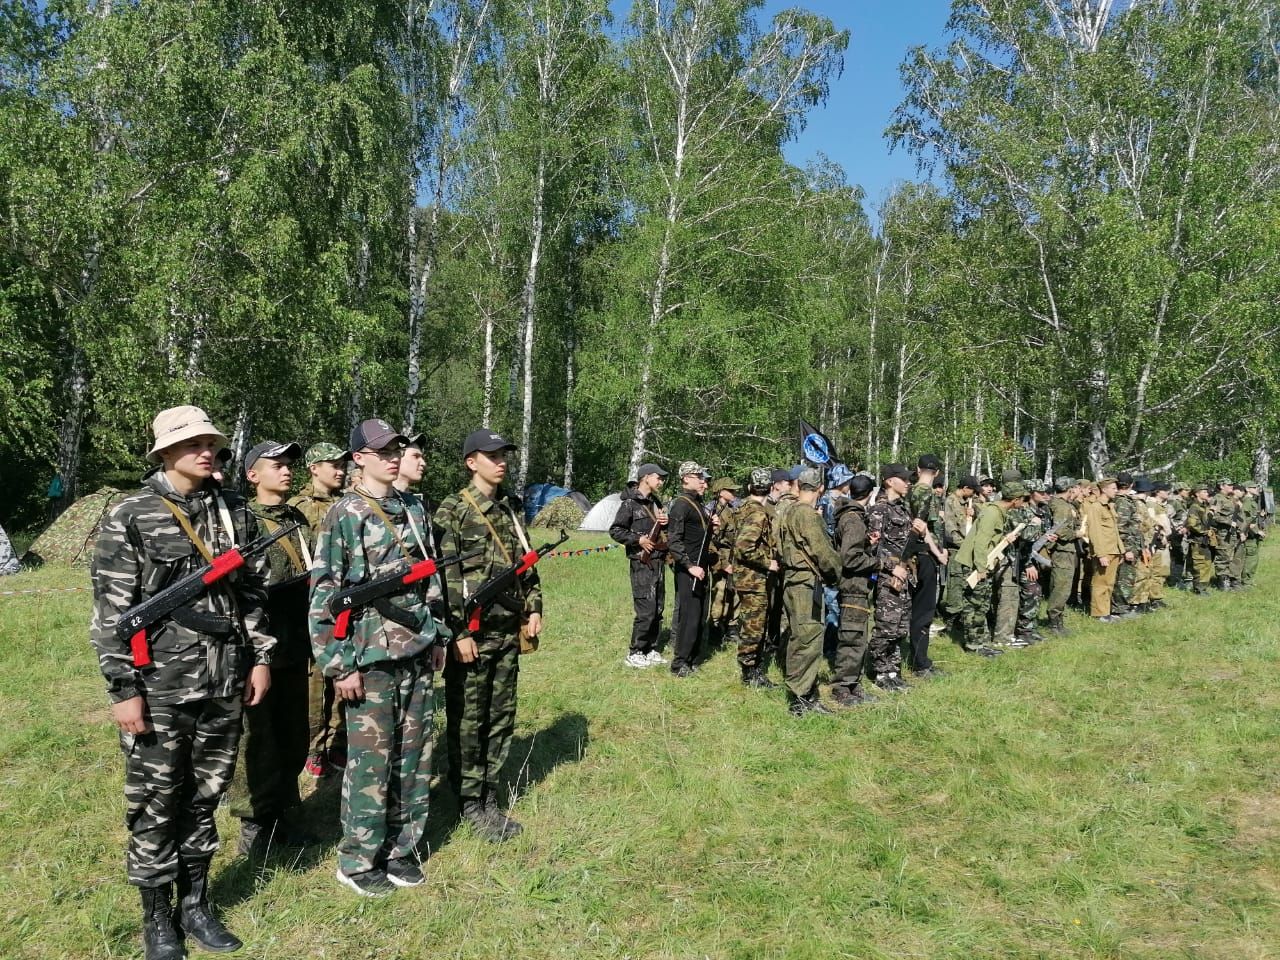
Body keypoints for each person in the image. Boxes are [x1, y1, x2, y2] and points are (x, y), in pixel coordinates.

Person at [90, 405, 273, 959]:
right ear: (164, 453)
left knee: (205, 796)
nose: (205, 451)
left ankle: (194, 905)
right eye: (191, 443)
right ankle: (157, 920)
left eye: (211, 443)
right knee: (155, 800)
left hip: (224, 679)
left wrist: (260, 656)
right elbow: (111, 613)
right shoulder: (132, 515)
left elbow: (252, 594)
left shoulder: (234, 511)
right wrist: (124, 691)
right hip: (160, 686)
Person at [310, 418, 448, 896]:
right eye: (383, 450)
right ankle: (357, 858)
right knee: (371, 763)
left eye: (398, 449)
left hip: (417, 647)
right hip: (368, 657)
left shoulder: (414, 508)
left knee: (415, 757)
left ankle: (400, 849)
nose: (394, 456)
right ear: (359, 459)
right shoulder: (345, 514)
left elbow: (430, 582)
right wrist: (339, 664)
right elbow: (326, 593)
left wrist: (439, 637)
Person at [435, 429, 543, 841]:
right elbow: (446, 580)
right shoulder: (454, 510)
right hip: (473, 637)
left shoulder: (512, 509)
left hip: (506, 632)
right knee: (468, 720)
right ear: (470, 461)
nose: (501, 461)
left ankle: (489, 794)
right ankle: (467, 801)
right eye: (491, 455)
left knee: (501, 717)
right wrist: (458, 632)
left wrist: (534, 607)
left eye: (504, 455)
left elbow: (527, 563)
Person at [229, 440, 316, 856]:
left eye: (288, 465)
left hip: (297, 644)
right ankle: (254, 822)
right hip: (257, 648)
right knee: (256, 739)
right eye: (275, 465)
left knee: (295, 734)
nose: (286, 471)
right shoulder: (240, 520)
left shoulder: (297, 518)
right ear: (252, 475)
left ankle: (286, 810)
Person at [289, 441, 350, 778]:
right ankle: (314, 747)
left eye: (342, 464)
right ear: (314, 468)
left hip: (345, 605)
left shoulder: (350, 504)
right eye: (332, 464)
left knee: (343, 680)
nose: (339, 469)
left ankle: (338, 743)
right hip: (314, 606)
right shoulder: (299, 508)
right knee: (315, 686)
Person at [777, 467, 840, 715]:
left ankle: (803, 690)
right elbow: (823, 552)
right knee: (809, 638)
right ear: (820, 489)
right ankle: (802, 699)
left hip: (791, 578)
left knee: (797, 635)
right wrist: (837, 574)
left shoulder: (787, 510)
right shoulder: (808, 515)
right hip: (805, 582)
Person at [866, 464, 924, 689]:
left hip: (906, 575)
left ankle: (892, 671)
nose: (908, 483)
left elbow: (904, 543)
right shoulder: (879, 510)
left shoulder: (903, 508)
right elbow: (873, 547)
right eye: (904, 479)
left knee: (900, 627)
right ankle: (880, 672)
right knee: (886, 627)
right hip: (887, 577)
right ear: (890, 481)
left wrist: (919, 531)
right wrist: (892, 567)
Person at [609, 463, 670, 668]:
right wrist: (638, 540)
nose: (661, 481)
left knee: (658, 606)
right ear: (645, 478)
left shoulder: (656, 501)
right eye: (658, 477)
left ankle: (651, 648)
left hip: (658, 560)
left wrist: (665, 521)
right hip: (641, 561)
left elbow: (661, 528)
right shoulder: (630, 504)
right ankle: (635, 651)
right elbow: (616, 530)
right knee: (646, 607)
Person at [831, 474, 878, 706]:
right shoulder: (853, 519)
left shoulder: (853, 517)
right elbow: (849, 558)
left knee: (858, 636)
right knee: (851, 636)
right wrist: (879, 562)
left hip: (857, 586)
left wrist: (867, 543)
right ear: (870, 494)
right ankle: (842, 686)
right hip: (853, 586)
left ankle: (852, 683)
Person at [730, 468, 778, 688]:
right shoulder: (758, 512)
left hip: (745, 576)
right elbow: (744, 546)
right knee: (754, 625)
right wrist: (768, 562)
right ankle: (750, 672)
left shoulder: (741, 508)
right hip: (753, 578)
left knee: (750, 622)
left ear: (749, 487)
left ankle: (751, 666)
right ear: (770, 488)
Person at [665, 462, 714, 677]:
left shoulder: (698, 504)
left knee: (701, 614)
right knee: (689, 616)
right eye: (698, 476)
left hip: (702, 568)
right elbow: (674, 540)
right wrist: (689, 566)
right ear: (685, 478)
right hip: (689, 571)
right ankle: (679, 663)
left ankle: (693, 658)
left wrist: (711, 526)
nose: (703, 480)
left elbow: (699, 538)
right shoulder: (681, 504)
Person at [906, 454, 947, 676]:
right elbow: (922, 527)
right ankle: (920, 662)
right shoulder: (926, 493)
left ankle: (916, 657)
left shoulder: (910, 490)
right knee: (923, 611)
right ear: (937, 473)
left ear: (917, 468)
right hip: (924, 554)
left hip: (914, 555)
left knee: (913, 609)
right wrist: (938, 552)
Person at [1082, 478, 1124, 621]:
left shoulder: (1109, 506)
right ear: (1104, 489)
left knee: (1109, 583)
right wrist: (1100, 554)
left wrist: (1121, 550)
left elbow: (1115, 531)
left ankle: (1106, 612)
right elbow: (1094, 532)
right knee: (1101, 583)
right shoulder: (1096, 507)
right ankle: (1099, 613)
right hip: (1104, 551)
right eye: (1113, 488)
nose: (1116, 490)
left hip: (1114, 550)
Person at [941, 475, 980, 626]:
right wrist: (965, 546)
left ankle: (961, 615)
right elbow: (950, 529)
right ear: (965, 488)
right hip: (957, 550)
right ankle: (952, 617)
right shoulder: (951, 501)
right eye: (973, 491)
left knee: (965, 582)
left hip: (967, 547)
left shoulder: (967, 503)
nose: (974, 495)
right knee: (955, 583)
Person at [1044, 477, 1081, 634]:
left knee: (1063, 586)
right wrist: (1077, 533)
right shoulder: (1061, 506)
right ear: (1070, 489)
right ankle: (1054, 622)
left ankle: (1058, 621)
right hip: (1062, 551)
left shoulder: (1061, 504)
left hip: (1065, 551)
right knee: (1061, 587)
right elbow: (1060, 530)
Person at [707, 477, 740, 647]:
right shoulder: (715, 512)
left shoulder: (730, 510)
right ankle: (714, 627)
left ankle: (731, 626)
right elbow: (712, 542)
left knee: (733, 593)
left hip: (732, 557)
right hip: (720, 559)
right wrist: (723, 563)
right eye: (731, 490)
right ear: (721, 492)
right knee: (719, 593)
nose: (734, 493)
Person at [1184, 482, 1216, 593]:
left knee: (1206, 564)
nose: (1207, 493)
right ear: (1197, 494)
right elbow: (1192, 524)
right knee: (1200, 565)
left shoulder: (1204, 506)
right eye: (1204, 491)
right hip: (1198, 540)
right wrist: (1204, 531)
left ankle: (1203, 587)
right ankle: (1199, 589)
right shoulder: (1195, 507)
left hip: (1205, 540)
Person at [1210, 479, 1240, 589]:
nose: (1232, 486)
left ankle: (1228, 579)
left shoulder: (1229, 499)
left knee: (1230, 556)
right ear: (1222, 486)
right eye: (1229, 485)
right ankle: (1222, 582)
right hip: (1222, 532)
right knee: (1223, 556)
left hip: (1230, 532)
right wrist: (1229, 522)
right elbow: (1213, 516)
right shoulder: (1217, 499)